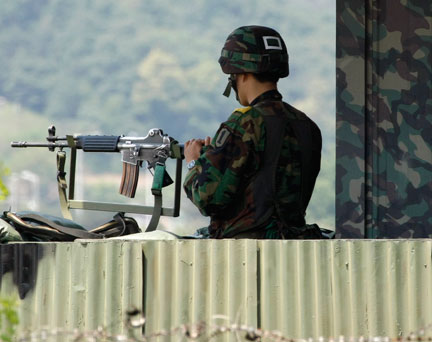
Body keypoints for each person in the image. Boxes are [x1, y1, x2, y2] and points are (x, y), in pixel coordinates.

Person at [183, 25, 322, 239]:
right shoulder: (307, 126)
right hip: (297, 252)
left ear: (241, 73)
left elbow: (208, 199)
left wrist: (194, 162)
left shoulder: (244, 123)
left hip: (246, 254)